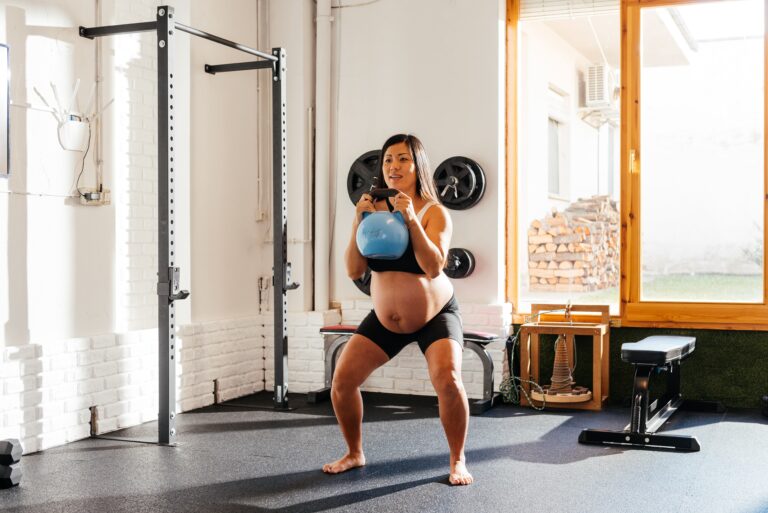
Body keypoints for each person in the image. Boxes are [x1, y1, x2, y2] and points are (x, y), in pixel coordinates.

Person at [322, 133, 473, 486]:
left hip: (435, 316)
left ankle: (458, 459)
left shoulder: (435, 212)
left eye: (403, 159)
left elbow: (434, 266)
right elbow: (354, 270)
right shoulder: (371, 210)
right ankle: (355, 453)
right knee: (342, 383)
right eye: (388, 160)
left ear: (417, 165)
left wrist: (411, 219)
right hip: (385, 319)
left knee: (448, 380)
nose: (393, 166)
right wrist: (358, 221)